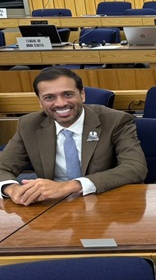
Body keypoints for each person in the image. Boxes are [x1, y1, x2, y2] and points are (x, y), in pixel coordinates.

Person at [0, 67, 147, 205]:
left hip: (106, 202)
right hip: (52, 208)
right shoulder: (29, 125)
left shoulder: (115, 121)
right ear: (40, 102)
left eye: (68, 94)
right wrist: (12, 189)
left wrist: (70, 186)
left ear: (82, 95)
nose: (61, 103)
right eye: (49, 97)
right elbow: (3, 167)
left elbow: (135, 167)